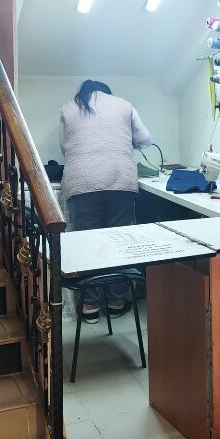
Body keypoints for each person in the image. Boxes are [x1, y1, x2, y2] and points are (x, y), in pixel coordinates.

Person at [59, 80, 152, 323]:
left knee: (87, 245)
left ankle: (89, 306)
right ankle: (115, 302)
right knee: (118, 243)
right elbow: (145, 139)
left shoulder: (68, 108)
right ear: (107, 92)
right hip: (120, 181)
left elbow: (64, 148)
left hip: (81, 183)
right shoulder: (124, 105)